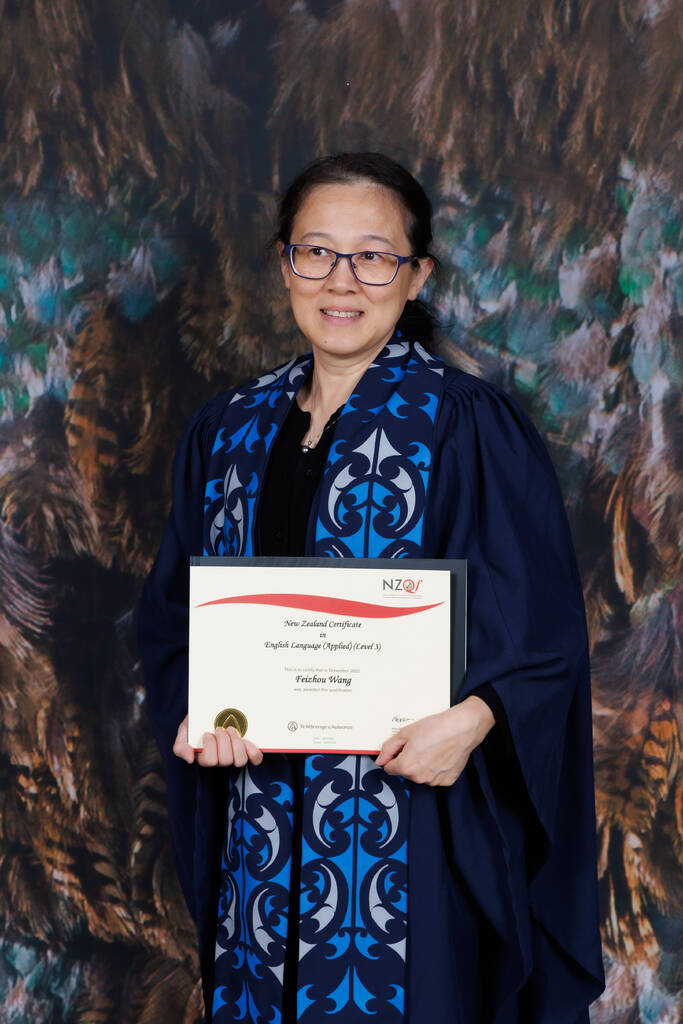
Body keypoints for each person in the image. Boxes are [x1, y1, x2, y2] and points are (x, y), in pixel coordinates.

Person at [138, 152, 605, 1023]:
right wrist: (207, 714)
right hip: (260, 839)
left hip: (411, 838)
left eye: (373, 255)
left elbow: (543, 632)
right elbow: (172, 623)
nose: (341, 280)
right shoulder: (227, 433)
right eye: (316, 252)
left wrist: (470, 725)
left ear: (415, 273)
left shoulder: (465, 424)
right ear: (284, 264)